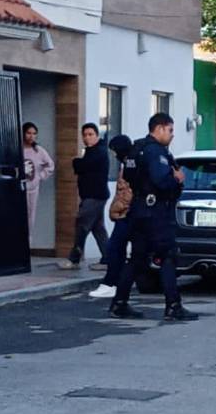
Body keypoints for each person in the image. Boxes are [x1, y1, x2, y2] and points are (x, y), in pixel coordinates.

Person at [108, 113, 198, 321]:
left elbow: (129, 177)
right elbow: (162, 181)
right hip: (155, 211)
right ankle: (173, 306)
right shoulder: (156, 152)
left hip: (138, 210)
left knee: (137, 258)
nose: (172, 135)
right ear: (159, 128)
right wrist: (177, 180)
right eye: (170, 130)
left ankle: (119, 303)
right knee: (167, 256)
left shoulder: (136, 149)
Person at [58, 123, 110, 271]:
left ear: (97, 135)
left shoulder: (98, 151)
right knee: (98, 228)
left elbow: (82, 166)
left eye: (90, 134)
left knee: (82, 225)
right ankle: (108, 258)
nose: (87, 138)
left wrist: (76, 161)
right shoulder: (90, 151)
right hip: (93, 195)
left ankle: (74, 259)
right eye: (85, 135)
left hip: (94, 196)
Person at [89, 135, 135, 299]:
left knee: (115, 249)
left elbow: (127, 193)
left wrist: (117, 210)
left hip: (126, 214)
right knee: (121, 251)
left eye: (114, 151)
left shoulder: (130, 164)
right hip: (128, 213)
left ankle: (111, 284)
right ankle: (115, 284)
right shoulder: (131, 161)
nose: (114, 155)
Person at [22, 122, 54, 246]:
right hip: (17, 188)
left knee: (30, 216)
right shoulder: (16, 148)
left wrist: (40, 177)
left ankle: (27, 244)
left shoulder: (38, 150)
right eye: (28, 133)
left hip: (32, 189)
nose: (31, 136)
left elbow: (50, 165)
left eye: (34, 133)